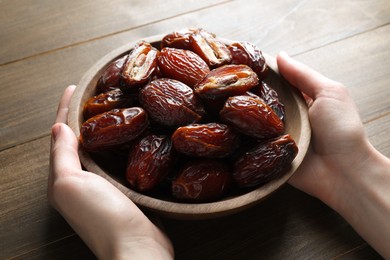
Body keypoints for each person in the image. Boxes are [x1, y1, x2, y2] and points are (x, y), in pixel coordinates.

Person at [48, 52, 390, 259]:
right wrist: (355, 171)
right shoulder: (157, 108)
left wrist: (134, 248)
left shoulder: (225, 113)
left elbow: (240, 146)